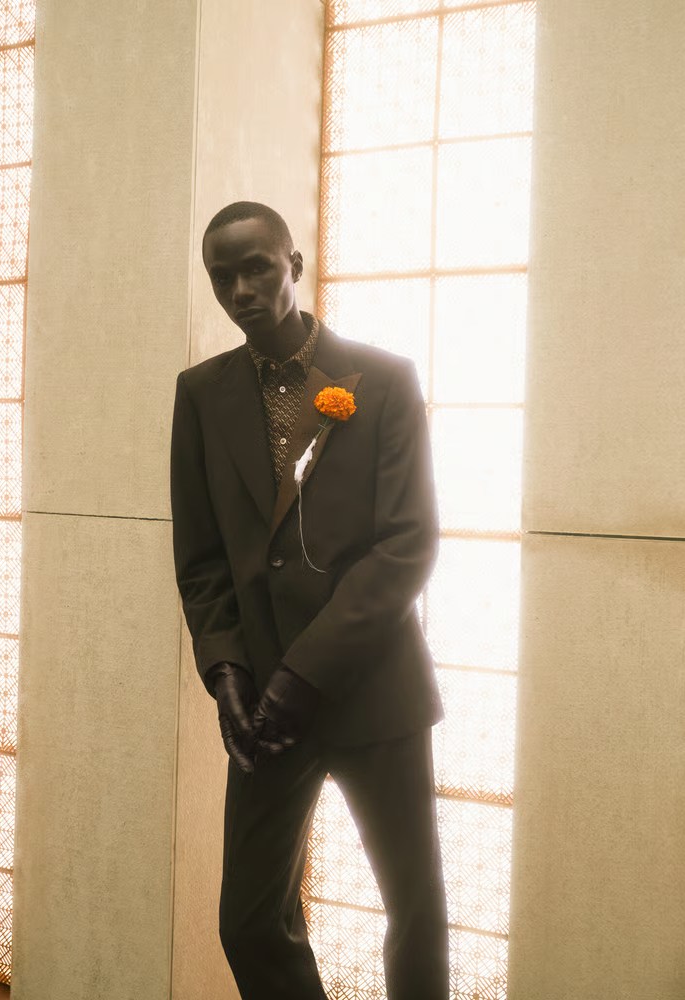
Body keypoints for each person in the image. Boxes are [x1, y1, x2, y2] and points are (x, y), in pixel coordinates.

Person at [170, 201, 449, 1000]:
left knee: (414, 912)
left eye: (256, 268)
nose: (240, 290)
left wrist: (304, 675)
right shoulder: (200, 393)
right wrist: (226, 672)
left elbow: (407, 543)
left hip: (374, 689)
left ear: (293, 265)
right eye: (221, 276)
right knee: (248, 921)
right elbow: (201, 559)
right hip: (263, 706)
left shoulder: (382, 380)